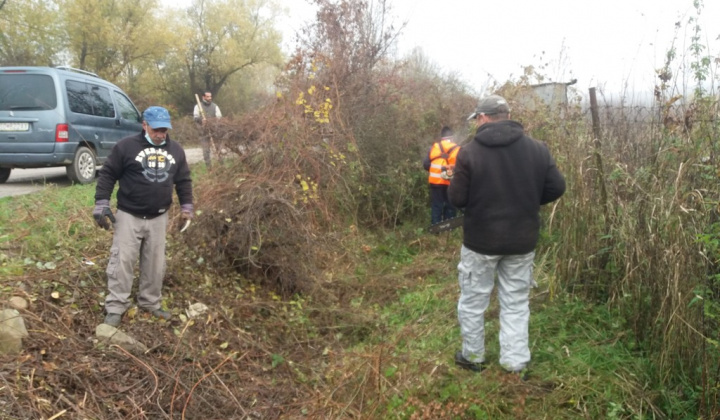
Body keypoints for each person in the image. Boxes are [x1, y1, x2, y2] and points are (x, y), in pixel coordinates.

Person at [448, 95, 566, 378]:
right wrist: (527, 201)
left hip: (480, 242)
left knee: (473, 301)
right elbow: (557, 187)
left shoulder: (468, 153)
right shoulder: (538, 149)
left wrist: (459, 181)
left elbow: (457, 198)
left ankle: (473, 357)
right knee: (515, 302)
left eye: (477, 118)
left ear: (484, 117)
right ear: (507, 115)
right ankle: (514, 365)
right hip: (521, 241)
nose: (477, 122)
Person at [93, 106, 194, 327]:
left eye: (164, 130)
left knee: (155, 264)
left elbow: (184, 180)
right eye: (156, 129)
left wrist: (187, 206)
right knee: (122, 261)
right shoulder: (126, 147)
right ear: (144, 125)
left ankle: (150, 302)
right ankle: (116, 306)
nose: (160, 134)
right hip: (129, 215)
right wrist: (101, 202)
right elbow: (108, 174)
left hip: (159, 217)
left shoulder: (175, 150)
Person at [423, 126, 459, 226]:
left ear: (441, 137)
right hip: (450, 182)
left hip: (435, 182)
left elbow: (426, 164)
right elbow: (461, 167)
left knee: (436, 205)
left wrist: (436, 171)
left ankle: (436, 228)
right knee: (450, 205)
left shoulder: (434, 147)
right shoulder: (457, 148)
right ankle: (449, 227)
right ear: (452, 138)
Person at [193, 91, 223, 168]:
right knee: (206, 152)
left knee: (218, 150)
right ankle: (209, 169)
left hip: (214, 132)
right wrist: (201, 120)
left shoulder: (215, 106)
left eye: (210, 96)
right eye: (208, 96)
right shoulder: (198, 106)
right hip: (203, 133)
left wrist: (212, 122)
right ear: (204, 97)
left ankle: (221, 166)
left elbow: (219, 117)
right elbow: (195, 117)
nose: (210, 98)